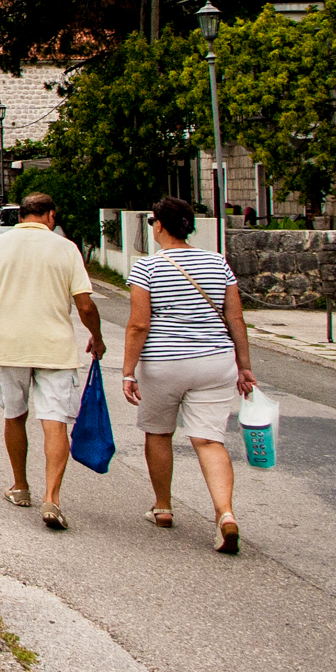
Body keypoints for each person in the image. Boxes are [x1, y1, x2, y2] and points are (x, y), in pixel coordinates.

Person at [0, 191, 105, 531]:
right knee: (54, 422)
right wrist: (96, 337)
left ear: (21, 216)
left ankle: (20, 487)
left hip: (11, 347)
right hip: (56, 349)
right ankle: (52, 498)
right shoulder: (67, 248)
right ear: (50, 216)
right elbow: (85, 305)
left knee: (14, 415)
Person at [121, 196, 255, 554]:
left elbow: (138, 325)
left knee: (159, 432)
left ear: (160, 226)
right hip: (215, 362)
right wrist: (244, 366)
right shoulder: (218, 263)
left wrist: (128, 371)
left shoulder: (147, 268)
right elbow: (235, 318)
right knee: (210, 441)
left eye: (153, 222)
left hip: (164, 364)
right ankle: (225, 514)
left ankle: (163, 507)